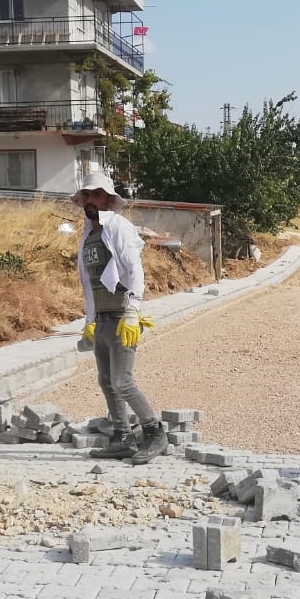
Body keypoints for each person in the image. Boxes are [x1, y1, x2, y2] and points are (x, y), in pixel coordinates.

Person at [75, 169, 167, 465]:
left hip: (121, 317)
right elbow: (88, 282)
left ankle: (155, 433)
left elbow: (135, 269)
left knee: (122, 381)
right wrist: (89, 321)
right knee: (106, 382)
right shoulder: (88, 235)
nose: (91, 200)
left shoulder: (117, 226)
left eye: (97, 194)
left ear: (108, 200)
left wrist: (132, 311)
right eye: (87, 195)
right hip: (102, 318)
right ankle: (122, 437)